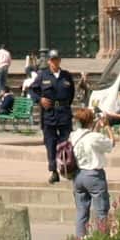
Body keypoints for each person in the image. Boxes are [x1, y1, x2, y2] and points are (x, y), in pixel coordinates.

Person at [68, 108, 114, 238]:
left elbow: (89, 138)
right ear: (91, 121)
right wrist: (108, 127)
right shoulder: (95, 137)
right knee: (101, 211)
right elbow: (110, 144)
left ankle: (80, 239)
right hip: (94, 176)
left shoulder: (73, 135)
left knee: (81, 211)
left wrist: (96, 127)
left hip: (78, 175)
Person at [36, 54, 77, 184]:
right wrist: (40, 100)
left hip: (64, 113)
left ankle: (67, 169)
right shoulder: (43, 75)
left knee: (65, 143)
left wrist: (64, 105)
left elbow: (72, 93)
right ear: (49, 61)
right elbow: (32, 90)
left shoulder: (66, 75)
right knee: (50, 143)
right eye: (52, 60)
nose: (55, 62)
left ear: (60, 61)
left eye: (57, 60)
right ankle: (54, 171)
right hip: (49, 114)